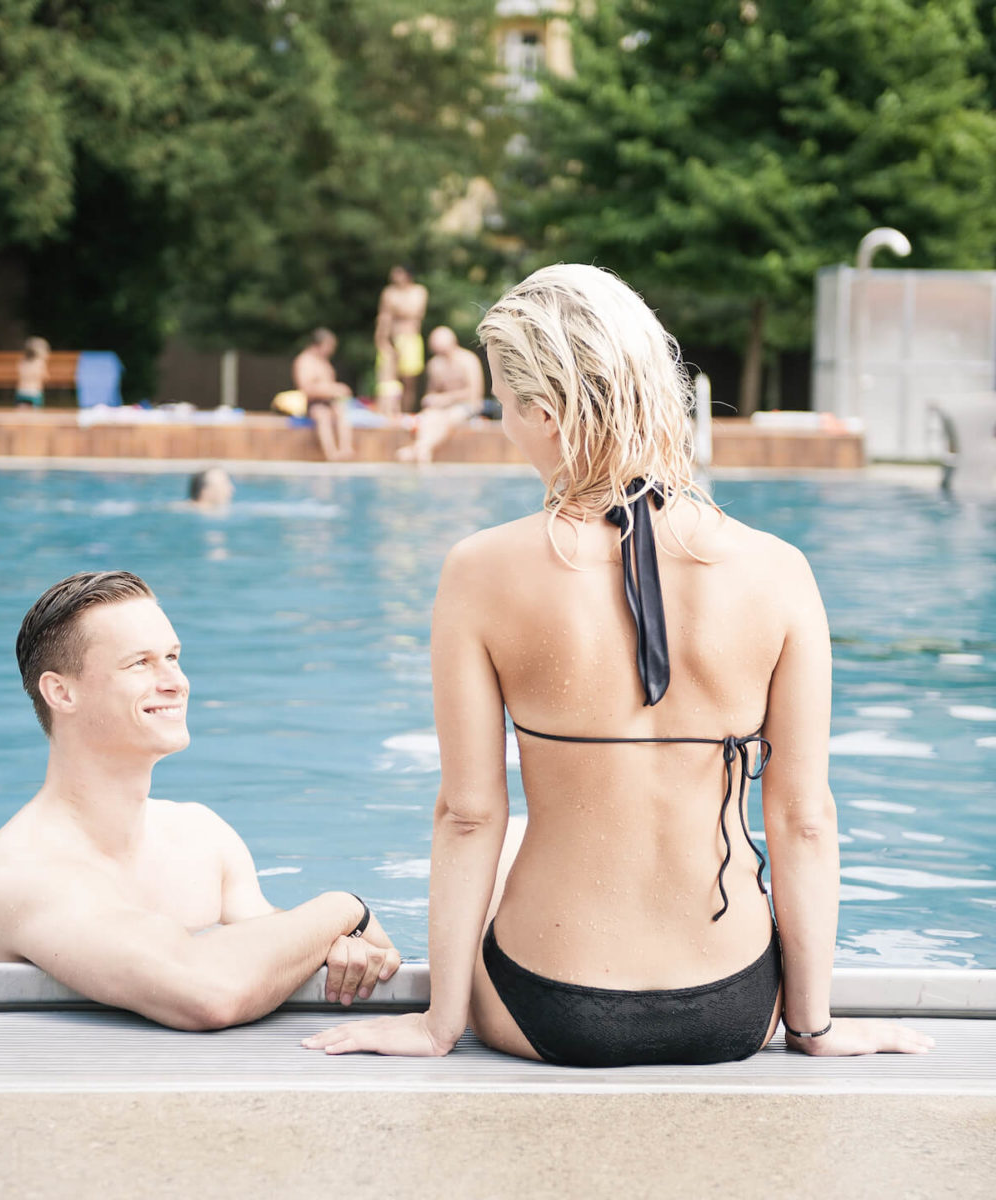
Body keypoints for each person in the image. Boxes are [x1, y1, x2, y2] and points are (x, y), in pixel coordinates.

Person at [305, 264, 933, 1065]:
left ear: (541, 412)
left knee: (508, 842)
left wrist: (436, 1025)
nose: (502, 424)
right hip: (734, 1005)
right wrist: (813, 1027)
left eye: (503, 404)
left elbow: (468, 815)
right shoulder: (780, 570)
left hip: (547, 1004)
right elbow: (804, 820)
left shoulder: (480, 570)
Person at [0, 571, 400, 1030]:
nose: (175, 682)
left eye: (173, 657)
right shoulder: (25, 873)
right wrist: (344, 910)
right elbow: (207, 994)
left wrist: (343, 947)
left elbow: (278, 941)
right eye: (140, 663)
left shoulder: (200, 835)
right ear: (61, 692)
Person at [396, 326, 488, 465]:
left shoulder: (468, 360)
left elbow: (475, 393)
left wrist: (447, 398)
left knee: (451, 416)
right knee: (428, 416)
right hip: (444, 408)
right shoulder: (434, 364)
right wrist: (432, 400)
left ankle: (420, 448)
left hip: (468, 406)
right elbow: (433, 393)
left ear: (452, 343)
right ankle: (422, 449)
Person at [291, 328, 354, 462]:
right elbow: (306, 389)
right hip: (313, 403)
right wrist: (333, 389)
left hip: (329, 401)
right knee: (322, 415)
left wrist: (336, 391)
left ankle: (346, 449)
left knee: (342, 411)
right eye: (330, 346)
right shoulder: (305, 361)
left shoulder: (324, 362)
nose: (332, 350)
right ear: (319, 344)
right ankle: (331, 454)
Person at [375, 265, 429, 417]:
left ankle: (406, 413)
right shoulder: (388, 292)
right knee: (388, 380)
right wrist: (382, 341)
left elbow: (414, 311)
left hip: (410, 339)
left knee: (409, 382)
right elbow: (384, 317)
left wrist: (396, 309)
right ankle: (389, 414)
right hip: (392, 339)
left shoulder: (419, 291)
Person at [15, 337, 51, 408]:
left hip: (21, 392)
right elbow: (45, 377)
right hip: (35, 393)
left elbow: (19, 373)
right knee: (35, 414)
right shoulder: (40, 363)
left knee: (21, 412)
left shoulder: (22, 361)